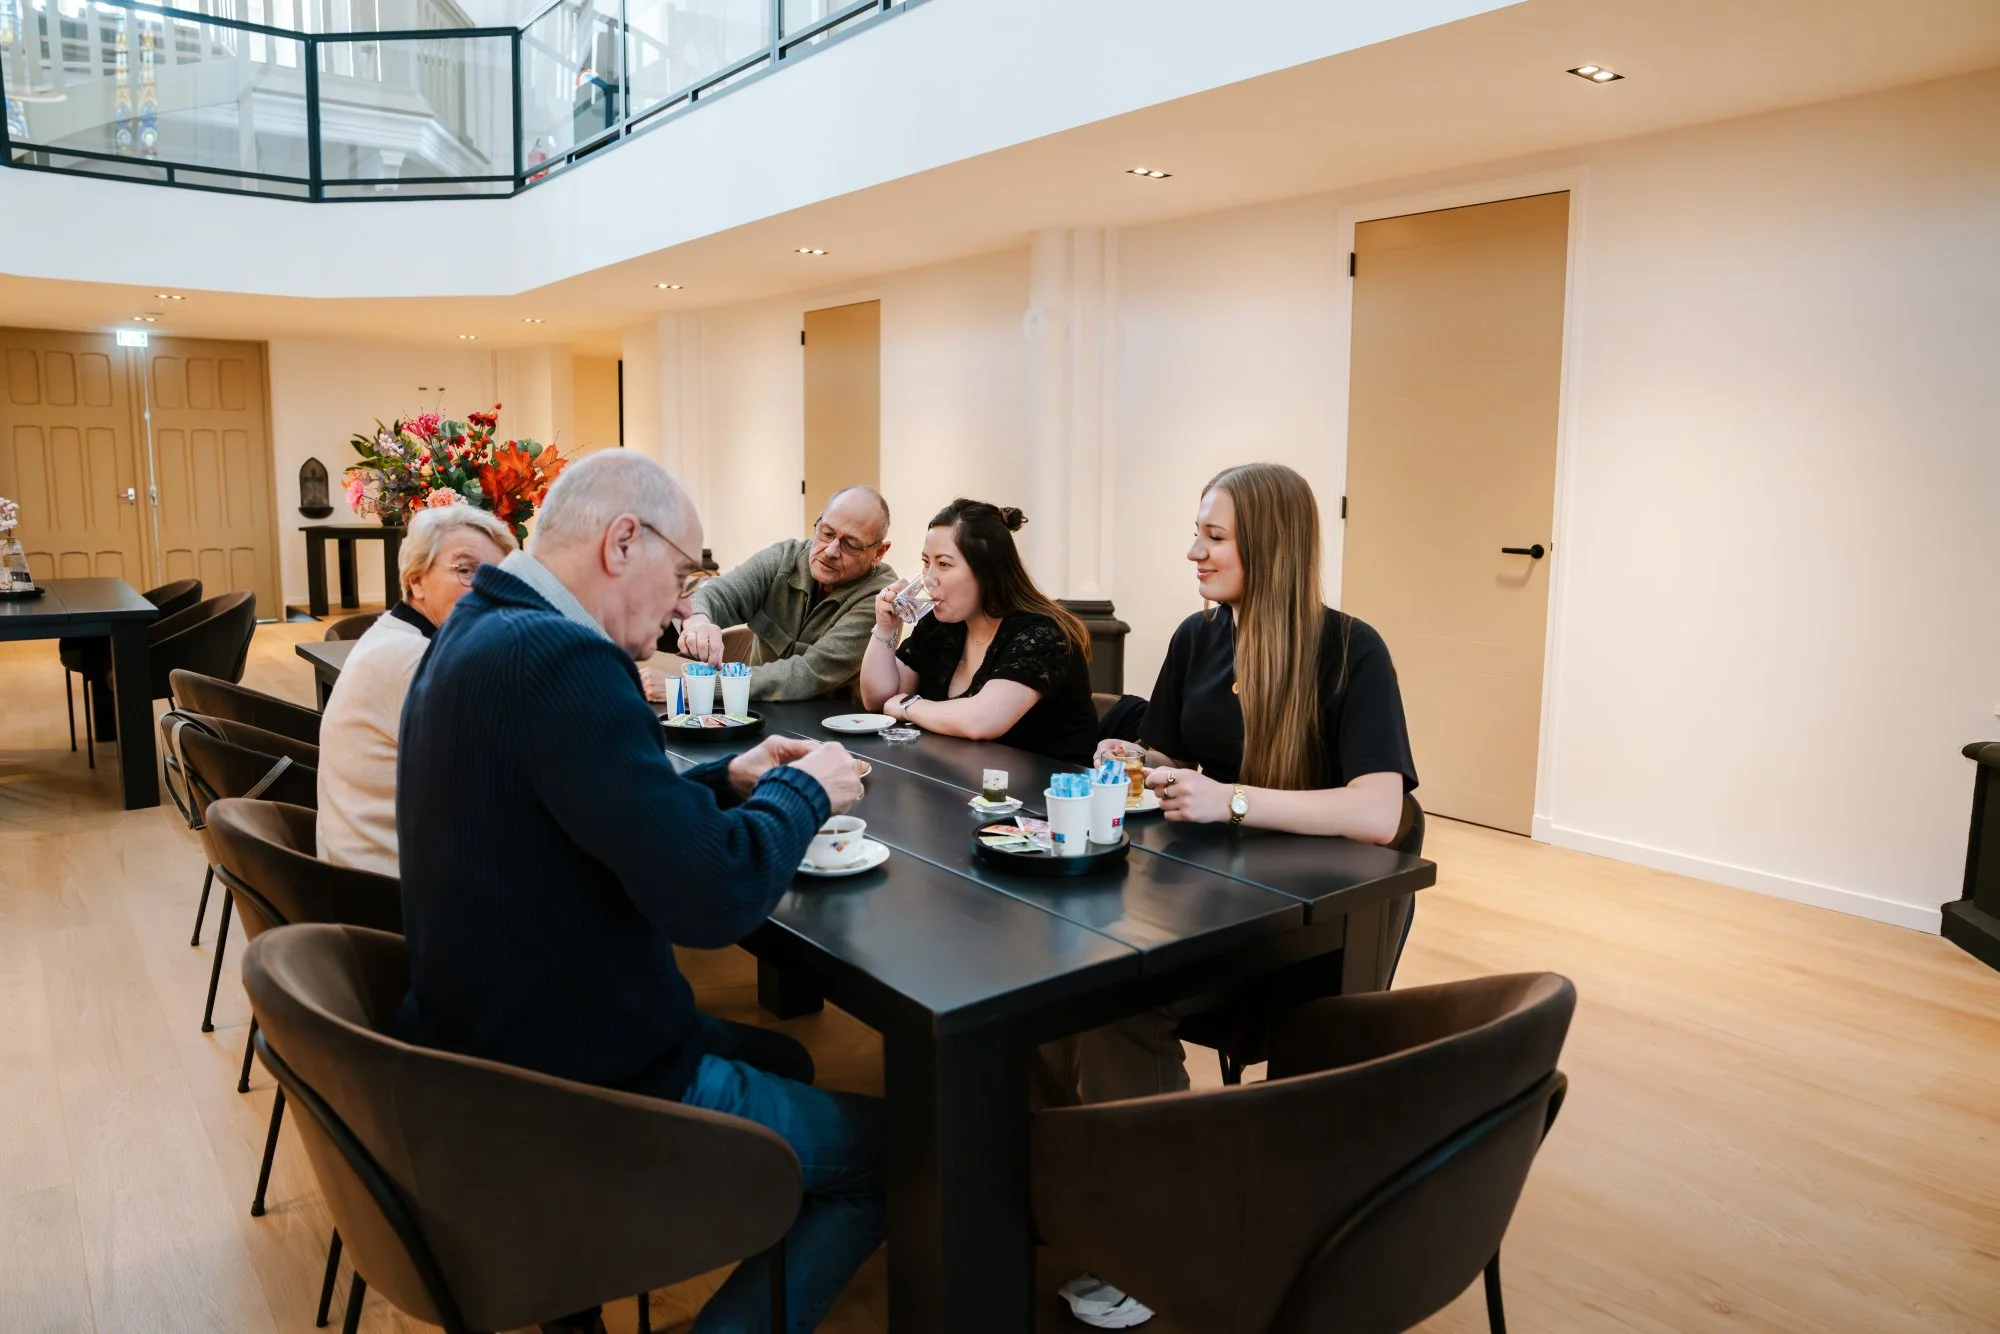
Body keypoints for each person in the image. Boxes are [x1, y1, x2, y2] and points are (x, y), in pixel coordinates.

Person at [393, 451, 882, 1334]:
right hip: (579, 1078)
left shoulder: (477, 630)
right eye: (683, 577)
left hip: (482, 1044)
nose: (683, 608)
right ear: (623, 542)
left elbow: (593, 816)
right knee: (894, 1158)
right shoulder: (564, 660)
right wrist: (806, 791)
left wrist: (728, 781)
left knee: (784, 1061)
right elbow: (714, 899)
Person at [1051, 462, 1418, 1331]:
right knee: (1064, 985)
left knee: (1113, 1004)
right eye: (1198, 533)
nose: (1194, 552)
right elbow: (1178, 760)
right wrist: (1140, 759)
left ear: (1272, 548)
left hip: (1308, 928)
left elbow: (1379, 811)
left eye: (1214, 537)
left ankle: (1159, 1240)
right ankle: (1098, 1198)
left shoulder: (1352, 651)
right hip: (1210, 897)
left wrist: (1235, 801)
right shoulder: (1198, 636)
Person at [316, 502, 515, 876]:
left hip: (360, 868)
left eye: (499, 577)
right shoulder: (414, 661)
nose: (488, 590)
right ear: (416, 580)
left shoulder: (395, 635)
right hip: (390, 889)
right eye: (466, 570)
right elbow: (500, 786)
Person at [857, 499, 1097, 766]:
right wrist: (886, 626)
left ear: (987, 571)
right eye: (926, 562)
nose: (928, 578)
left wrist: (908, 706)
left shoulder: (1043, 634)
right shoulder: (943, 624)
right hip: (963, 780)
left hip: (1050, 787)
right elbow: (878, 699)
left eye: (944, 564)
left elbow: (982, 720)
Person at [675, 486, 898, 700]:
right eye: (826, 533)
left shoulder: (881, 597)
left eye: (850, 545)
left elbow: (809, 672)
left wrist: (708, 686)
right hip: (759, 711)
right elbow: (716, 594)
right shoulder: (784, 558)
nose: (830, 551)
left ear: (879, 553)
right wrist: (698, 620)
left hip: (833, 722)